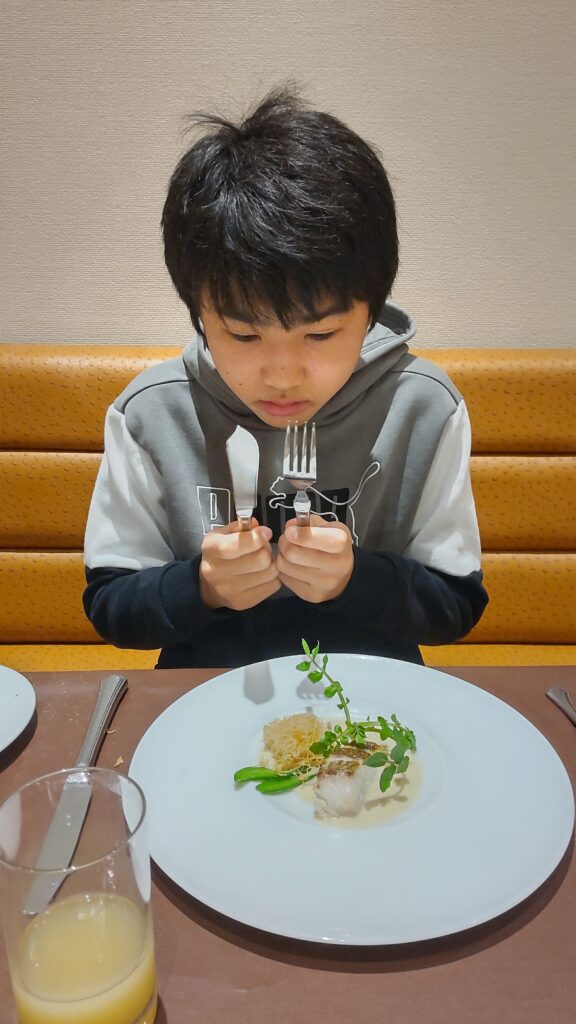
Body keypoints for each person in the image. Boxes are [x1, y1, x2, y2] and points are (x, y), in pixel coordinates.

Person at [83, 86, 488, 669]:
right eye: (243, 335)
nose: (282, 376)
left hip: (373, 698)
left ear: (370, 313)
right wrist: (202, 586)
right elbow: (112, 605)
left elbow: (455, 604)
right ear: (199, 315)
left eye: (320, 335)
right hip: (201, 693)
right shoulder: (152, 414)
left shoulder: (422, 407)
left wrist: (356, 578)